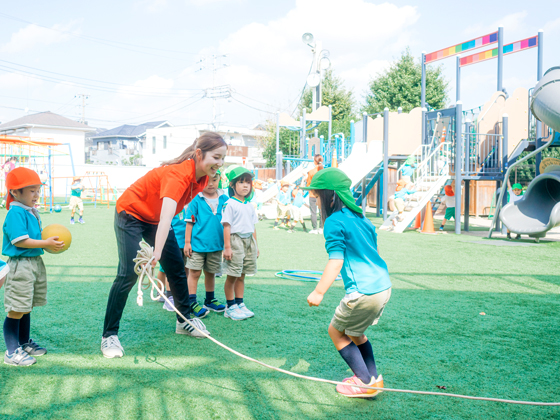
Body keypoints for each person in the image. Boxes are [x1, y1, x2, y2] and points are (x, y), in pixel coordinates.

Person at [101, 132, 227, 358]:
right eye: (215, 157)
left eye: (222, 159)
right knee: (128, 273)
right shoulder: (177, 174)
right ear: (199, 154)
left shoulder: (205, 178)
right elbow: (167, 218)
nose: (219, 164)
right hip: (130, 213)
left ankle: (184, 321)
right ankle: (109, 335)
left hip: (155, 218)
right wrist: (156, 252)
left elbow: (166, 217)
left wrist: (162, 251)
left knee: (177, 268)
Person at [303, 168, 391, 398]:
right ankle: (373, 377)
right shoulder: (362, 218)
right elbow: (376, 251)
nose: (315, 200)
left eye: (317, 196)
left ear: (330, 197)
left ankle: (363, 382)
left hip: (362, 290)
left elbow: (336, 260)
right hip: (382, 286)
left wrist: (319, 292)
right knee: (356, 332)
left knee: (336, 331)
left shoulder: (334, 221)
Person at [2, 168, 65, 366]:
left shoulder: (29, 211)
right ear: (15, 192)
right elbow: (20, 241)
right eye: (32, 191)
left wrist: (47, 243)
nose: (37, 195)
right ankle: (12, 353)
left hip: (34, 264)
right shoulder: (16, 213)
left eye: (38, 190)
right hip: (20, 266)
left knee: (26, 307)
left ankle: (23, 343)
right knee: (16, 309)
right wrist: (46, 243)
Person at [184, 171, 228, 318]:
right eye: (206, 181)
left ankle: (210, 299)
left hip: (216, 246)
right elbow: (189, 222)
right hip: (197, 245)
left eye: (214, 180)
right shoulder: (196, 199)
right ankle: (191, 301)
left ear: (219, 180)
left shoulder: (224, 199)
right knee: (194, 272)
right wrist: (187, 243)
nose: (210, 184)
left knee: (211, 272)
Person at [222, 167, 259, 321]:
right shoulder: (229, 204)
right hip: (235, 241)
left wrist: (256, 245)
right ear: (232, 185)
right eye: (241, 182)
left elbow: (253, 226)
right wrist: (227, 247)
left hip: (248, 241)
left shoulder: (250, 205)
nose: (245, 186)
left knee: (242, 275)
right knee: (232, 275)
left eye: (248, 182)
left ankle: (239, 303)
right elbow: (226, 226)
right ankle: (230, 306)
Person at [157, 207, 190, 312]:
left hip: (185, 244)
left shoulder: (192, 204)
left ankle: (182, 292)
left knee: (185, 268)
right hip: (171, 243)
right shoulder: (172, 206)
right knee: (165, 270)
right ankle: (164, 293)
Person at [307, 154, 324, 234]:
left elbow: (308, 184)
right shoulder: (324, 172)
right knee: (322, 212)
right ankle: (321, 228)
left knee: (313, 212)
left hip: (313, 194)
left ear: (314, 161)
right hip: (322, 195)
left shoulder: (311, 172)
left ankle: (314, 229)